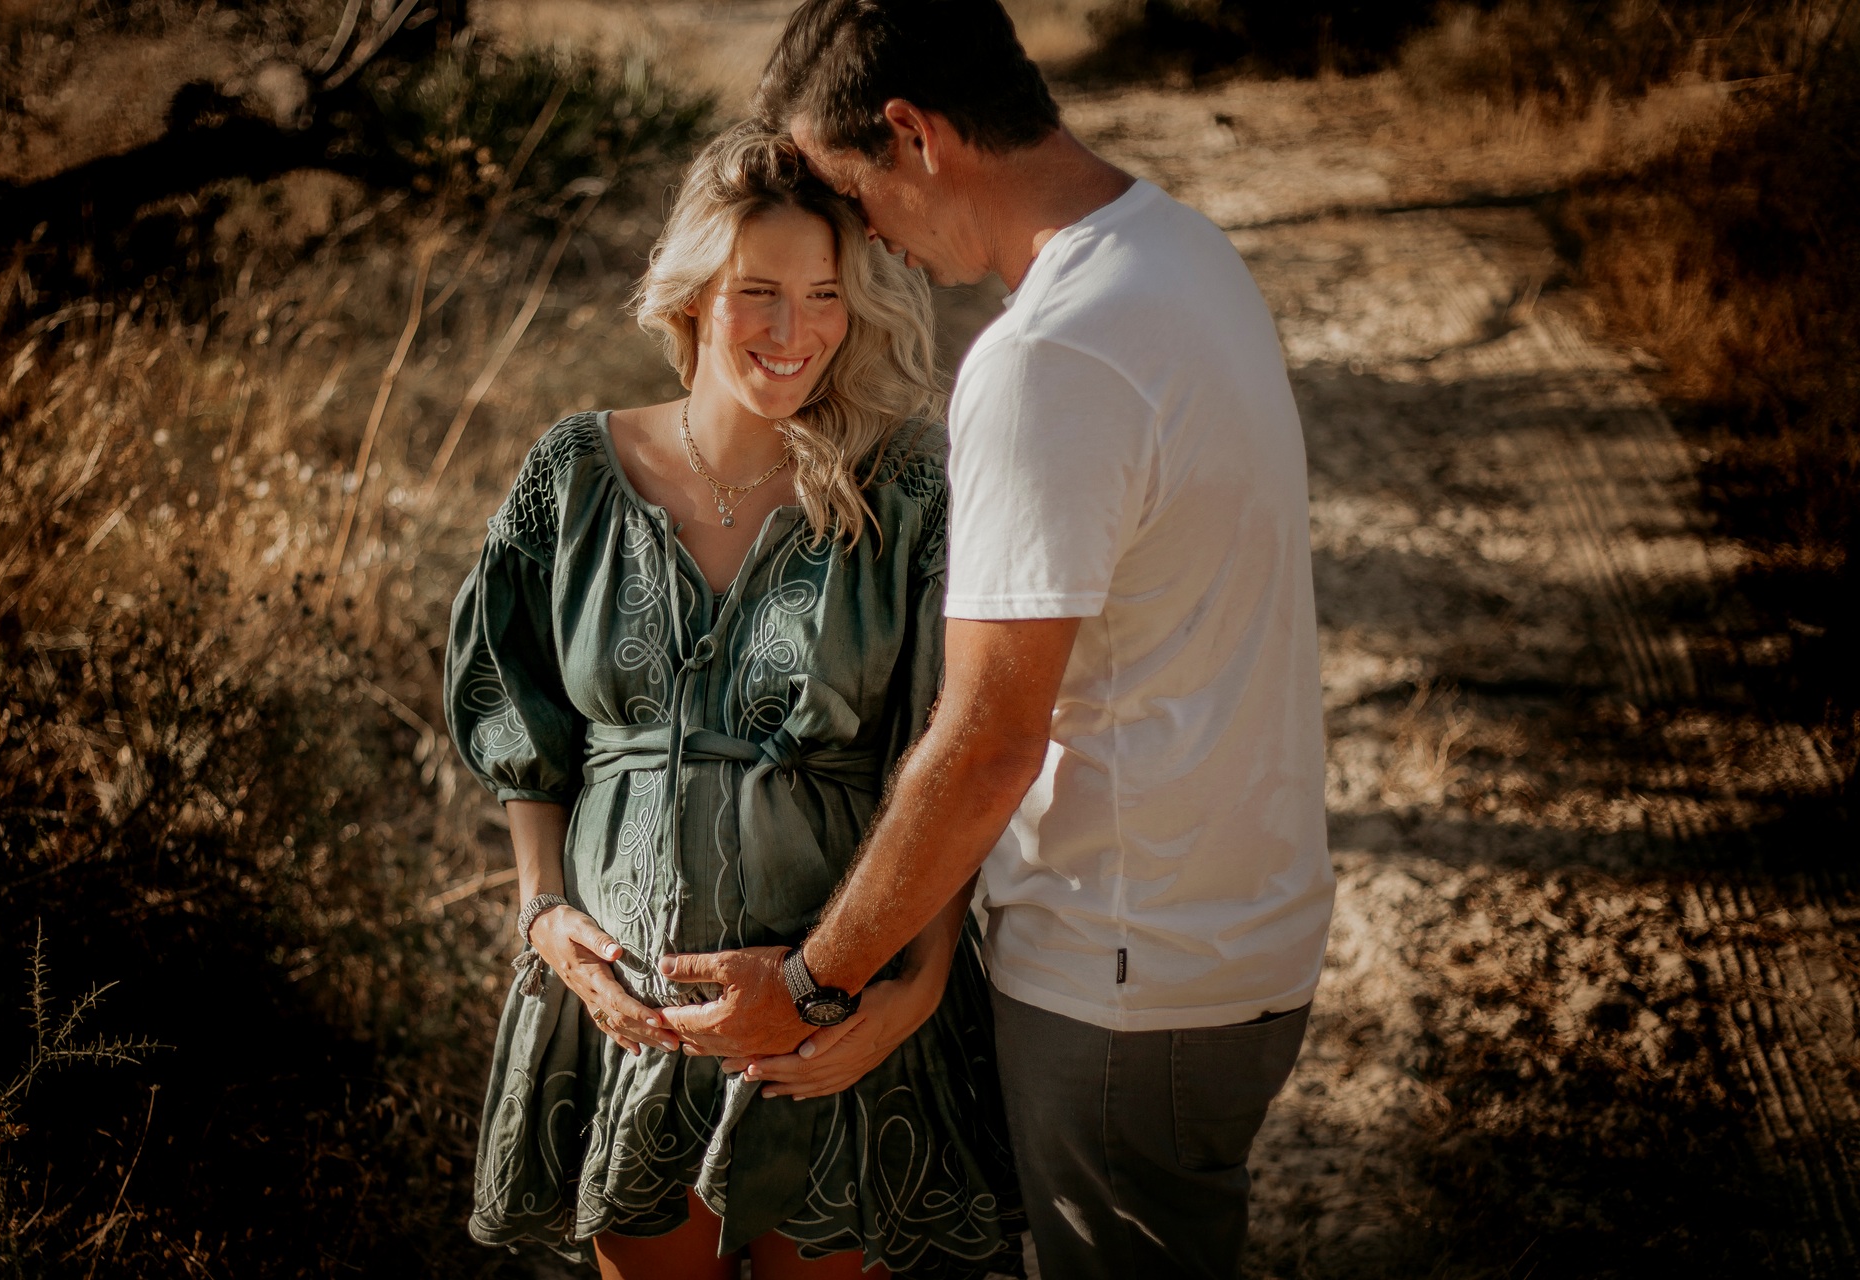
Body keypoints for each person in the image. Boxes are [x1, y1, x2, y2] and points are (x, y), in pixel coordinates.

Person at [654, 4, 1337, 1278]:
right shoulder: (1181, 249)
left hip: (1126, 970)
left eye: (855, 190)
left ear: (913, 135)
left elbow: (986, 741)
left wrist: (811, 984)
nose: (870, 236)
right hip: (1237, 931)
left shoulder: (1047, 356)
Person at [442, 121, 1022, 1280]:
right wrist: (543, 909)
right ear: (694, 292)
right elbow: (520, 711)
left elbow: (947, 750)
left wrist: (913, 988)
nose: (794, 330)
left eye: (825, 294)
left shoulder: (907, 486)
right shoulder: (573, 472)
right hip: (628, 1022)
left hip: (834, 1017)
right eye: (760, 291)